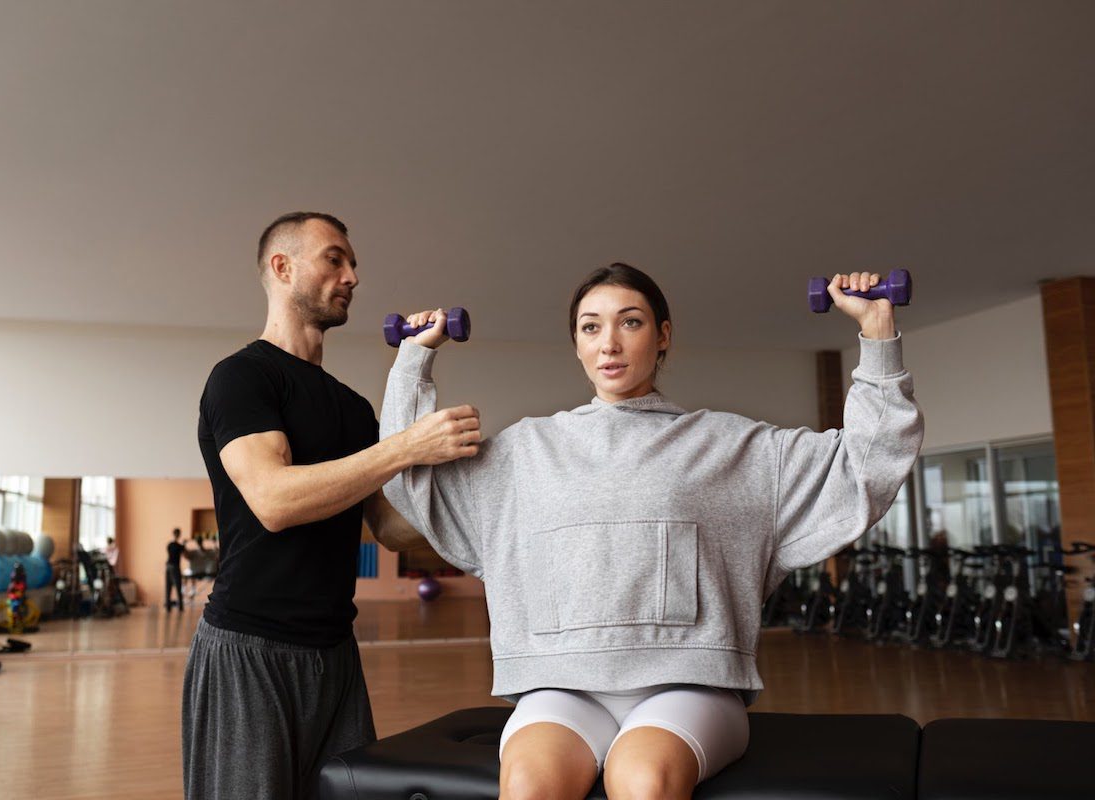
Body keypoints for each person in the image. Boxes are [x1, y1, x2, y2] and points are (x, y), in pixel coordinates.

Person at [380, 264, 924, 799]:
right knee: (527, 786)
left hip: (688, 686)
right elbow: (410, 478)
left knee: (642, 781)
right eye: (591, 327)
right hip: (561, 687)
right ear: (576, 343)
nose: (609, 343)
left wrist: (876, 332)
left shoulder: (733, 447)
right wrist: (413, 359)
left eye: (630, 322)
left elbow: (866, 464)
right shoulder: (524, 452)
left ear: (662, 336)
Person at [183, 212, 478, 800]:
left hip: (335, 654)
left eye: (353, 265)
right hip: (251, 649)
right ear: (282, 267)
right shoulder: (242, 378)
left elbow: (392, 530)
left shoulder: (350, 408)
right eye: (335, 259)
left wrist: (483, 506)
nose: (352, 276)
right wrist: (404, 447)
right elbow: (273, 499)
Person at [165, 529, 185, 612]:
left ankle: (168, 606)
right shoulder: (179, 546)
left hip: (168, 566)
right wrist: (184, 544)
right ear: (179, 535)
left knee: (168, 586)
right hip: (175, 567)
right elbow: (185, 553)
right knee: (178, 586)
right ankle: (180, 606)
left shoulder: (169, 545)